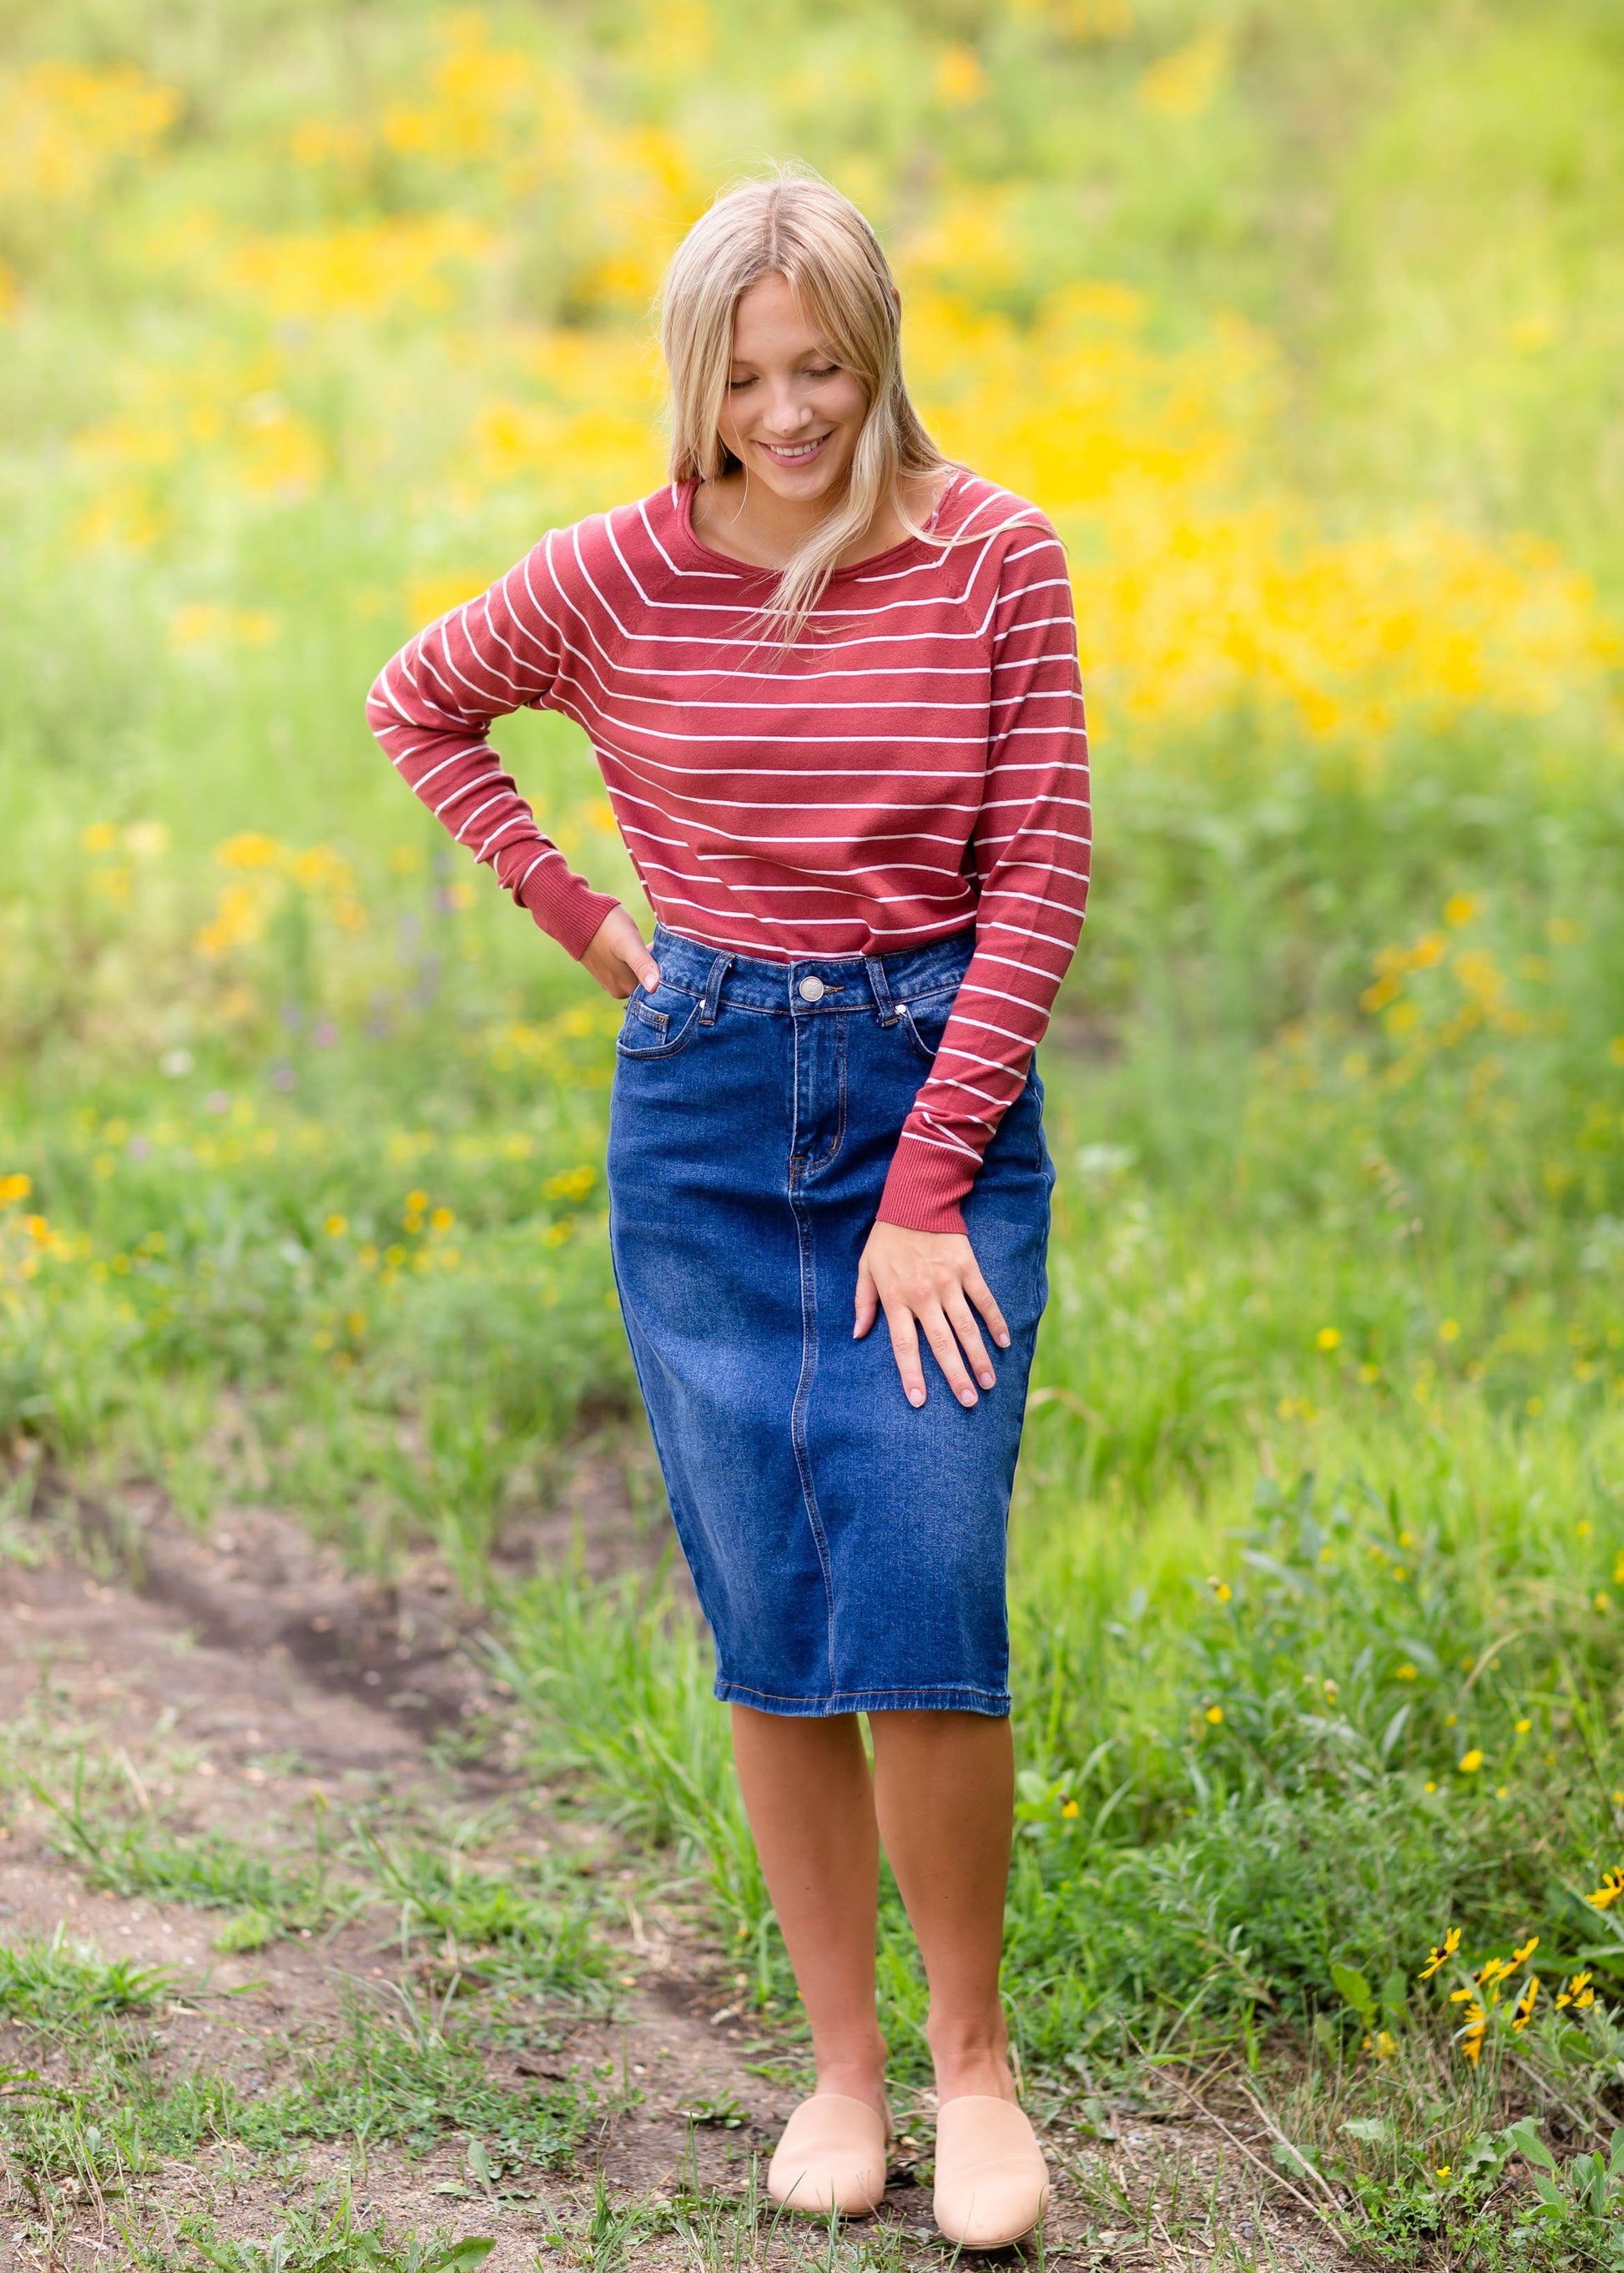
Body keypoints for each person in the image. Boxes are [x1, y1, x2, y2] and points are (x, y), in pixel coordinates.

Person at [367, 167, 1088, 2250]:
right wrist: (587, 922)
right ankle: (842, 2069)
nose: (786, 413)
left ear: (881, 355)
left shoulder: (991, 561)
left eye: (824, 368)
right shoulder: (618, 572)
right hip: (702, 1121)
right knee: (776, 1623)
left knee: (927, 1595)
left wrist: (931, 1185)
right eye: (748, 376)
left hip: (924, 1115)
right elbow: (426, 700)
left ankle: (974, 2071)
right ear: (695, 375)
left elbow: (1036, 876)